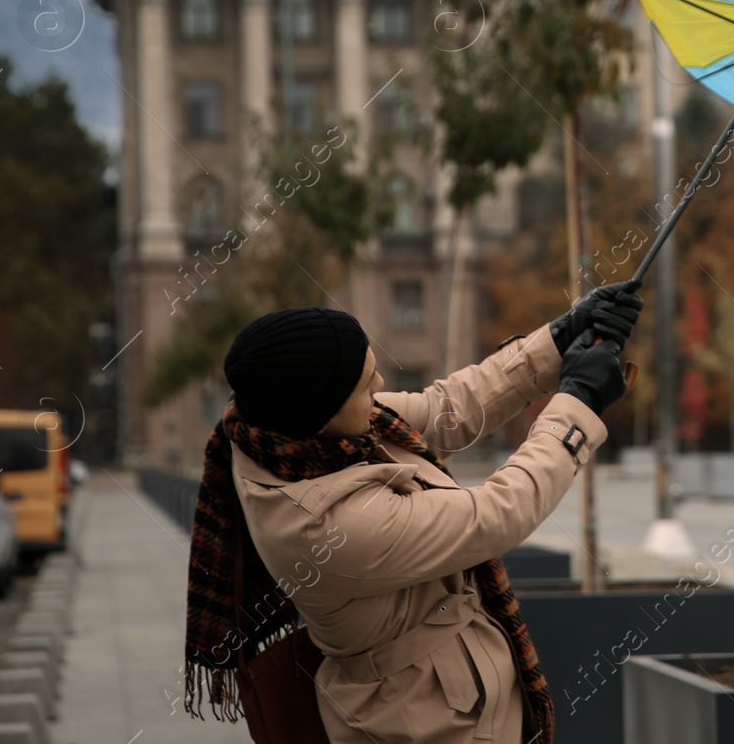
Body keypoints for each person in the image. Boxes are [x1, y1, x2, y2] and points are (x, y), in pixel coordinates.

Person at [182, 279, 643, 744]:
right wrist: (578, 402)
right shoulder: (328, 528)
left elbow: (445, 408)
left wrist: (559, 338)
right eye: (366, 385)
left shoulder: (283, 428)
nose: (380, 388)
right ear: (319, 411)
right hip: (426, 722)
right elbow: (496, 513)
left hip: (453, 695)